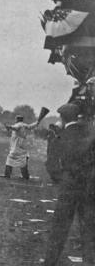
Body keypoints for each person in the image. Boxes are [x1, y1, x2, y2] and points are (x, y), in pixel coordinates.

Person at [43, 103, 95, 265]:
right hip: (88, 188)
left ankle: (50, 261)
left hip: (68, 187)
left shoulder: (59, 138)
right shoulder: (89, 137)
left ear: (63, 118)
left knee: (60, 227)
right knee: (89, 229)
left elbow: (51, 166)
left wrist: (63, 179)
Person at [0, 115, 39, 180]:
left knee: (10, 157)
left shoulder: (18, 125)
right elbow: (32, 126)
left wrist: (9, 126)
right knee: (23, 159)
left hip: (16, 144)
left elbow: (15, 127)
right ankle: (25, 176)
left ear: (17, 119)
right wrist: (37, 122)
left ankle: (7, 174)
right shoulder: (25, 125)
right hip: (22, 144)